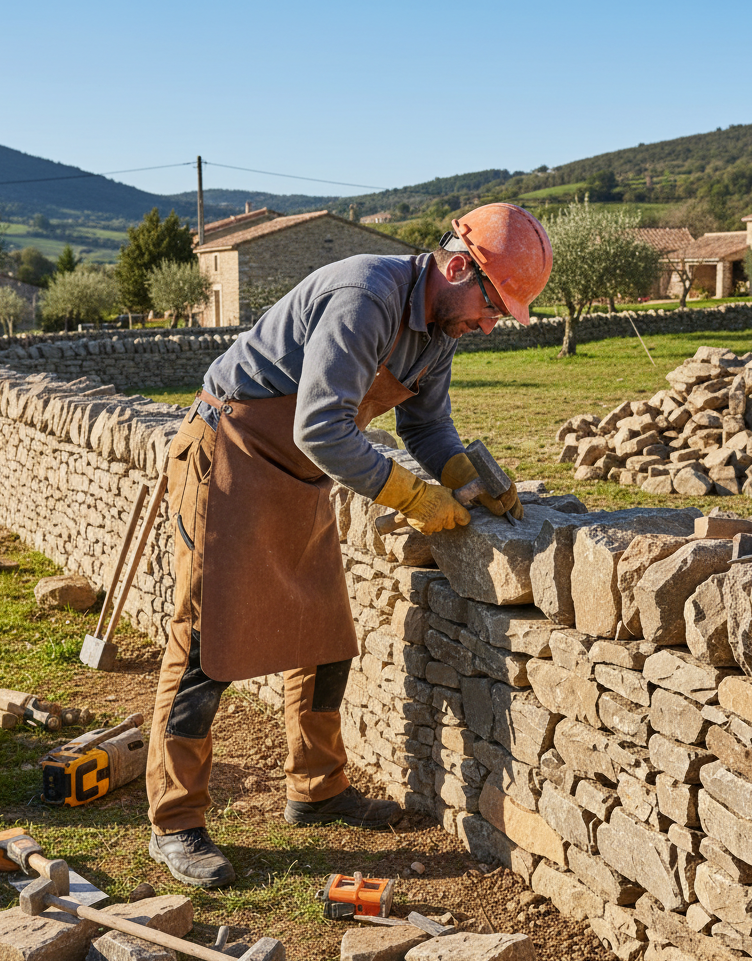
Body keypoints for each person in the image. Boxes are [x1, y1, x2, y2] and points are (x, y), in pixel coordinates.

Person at [145, 203, 553, 887]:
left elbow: (427, 429)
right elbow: (323, 428)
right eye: (492, 304)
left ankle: (317, 789)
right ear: (457, 267)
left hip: (299, 474)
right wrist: (414, 497)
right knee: (204, 645)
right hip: (230, 455)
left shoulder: (439, 331)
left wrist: (460, 473)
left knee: (322, 633)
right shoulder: (366, 296)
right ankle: (176, 822)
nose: (489, 323)